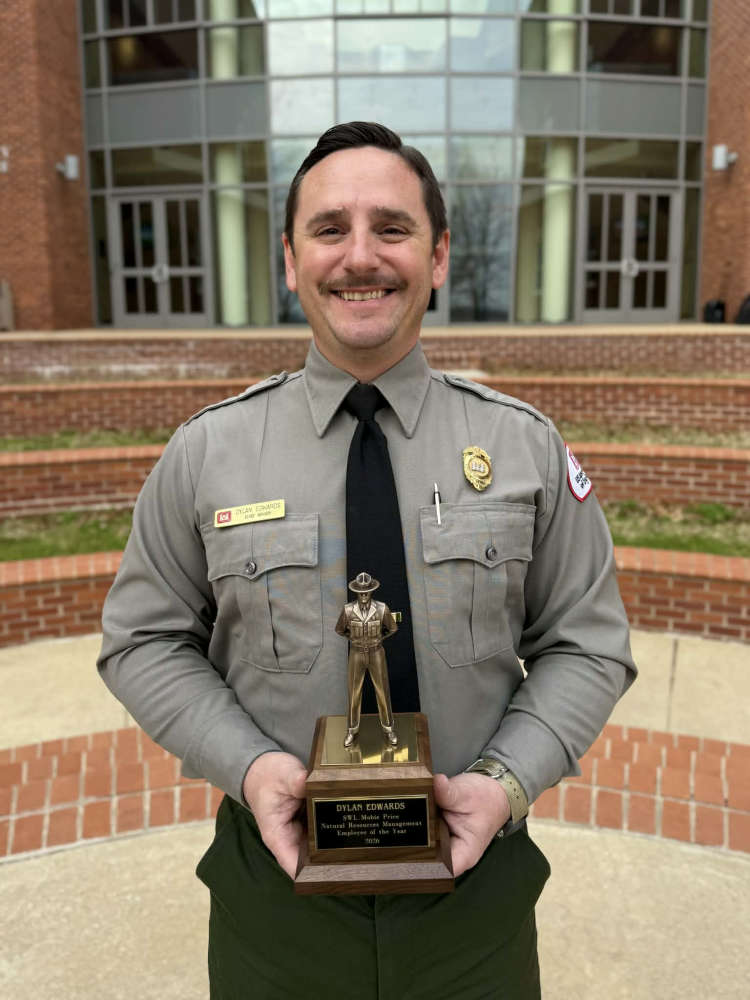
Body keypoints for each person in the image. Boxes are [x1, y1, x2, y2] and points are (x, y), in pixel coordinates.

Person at [98, 121, 636, 999]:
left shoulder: (523, 447)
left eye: (392, 228)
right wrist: (250, 768)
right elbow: (143, 639)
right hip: (275, 905)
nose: (360, 257)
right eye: (328, 229)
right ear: (290, 260)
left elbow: (588, 642)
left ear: (439, 256)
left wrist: (504, 783)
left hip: (476, 902)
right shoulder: (206, 454)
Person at [335, 571, 399, 747]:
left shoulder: (382, 609)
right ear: (356, 592)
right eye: (361, 593)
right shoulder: (348, 610)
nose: (364, 596)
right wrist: (353, 639)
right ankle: (351, 730)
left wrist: (379, 638)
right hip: (356, 654)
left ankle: (389, 729)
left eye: (367, 592)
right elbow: (339, 629)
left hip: (376, 653)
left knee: (382, 691)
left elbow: (392, 628)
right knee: (354, 693)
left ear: (372, 591)